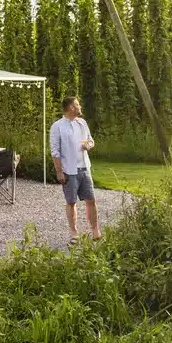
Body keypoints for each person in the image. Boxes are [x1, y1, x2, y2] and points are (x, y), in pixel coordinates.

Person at [49, 96, 102, 244]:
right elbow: (55, 151)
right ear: (71, 107)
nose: (80, 107)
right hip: (68, 170)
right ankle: (74, 233)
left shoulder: (82, 123)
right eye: (77, 104)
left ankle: (95, 230)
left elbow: (90, 140)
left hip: (85, 168)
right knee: (71, 201)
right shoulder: (57, 126)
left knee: (91, 199)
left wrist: (89, 145)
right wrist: (59, 171)